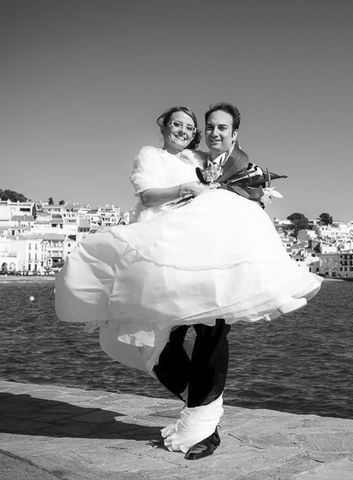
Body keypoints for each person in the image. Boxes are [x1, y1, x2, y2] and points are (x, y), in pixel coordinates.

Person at [54, 103, 322, 460]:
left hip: (200, 256)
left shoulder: (205, 158)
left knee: (213, 328)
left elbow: (232, 196)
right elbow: (148, 195)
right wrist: (189, 188)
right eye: (178, 124)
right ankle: (203, 411)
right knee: (158, 341)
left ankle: (204, 425)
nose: (185, 130)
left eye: (190, 126)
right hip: (158, 251)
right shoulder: (153, 157)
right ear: (164, 126)